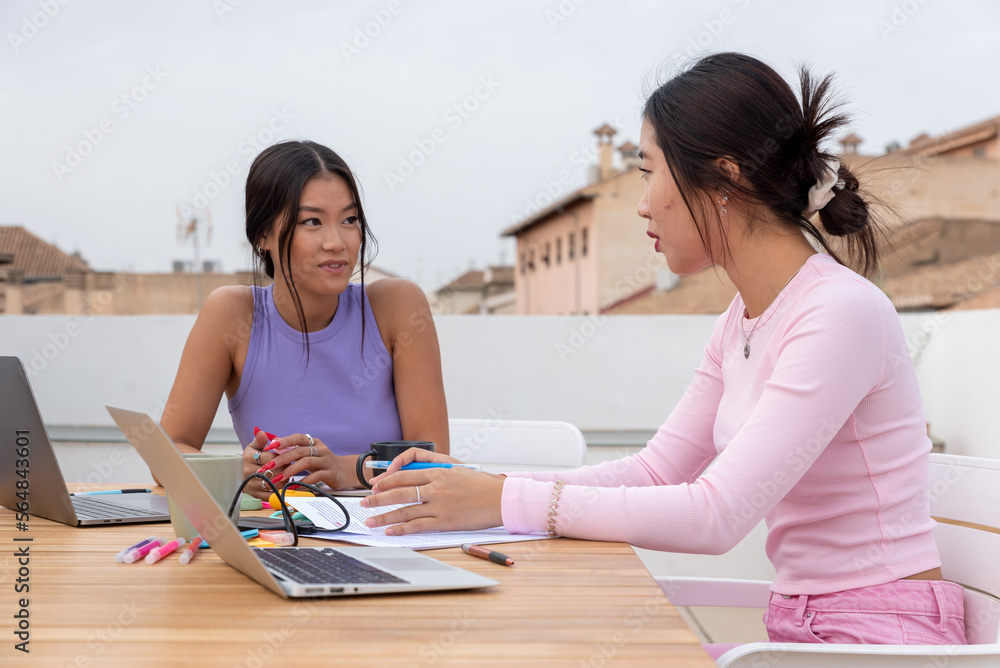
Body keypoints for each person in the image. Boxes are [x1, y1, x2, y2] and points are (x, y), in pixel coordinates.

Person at [362, 53, 967, 649]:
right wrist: (476, 482)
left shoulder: (839, 312)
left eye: (649, 170)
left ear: (725, 178)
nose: (642, 202)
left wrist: (500, 499)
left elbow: (715, 514)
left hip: (882, 638)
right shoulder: (742, 319)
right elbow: (651, 473)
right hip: (801, 630)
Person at [159, 140, 448, 498]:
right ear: (262, 235)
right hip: (276, 535)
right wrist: (237, 470)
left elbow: (433, 464)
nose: (336, 242)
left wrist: (344, 469)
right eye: (312, 221)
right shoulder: (232, 315)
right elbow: (166, 454)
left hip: (383, 532)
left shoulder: (398, 306)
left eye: (350, 220)